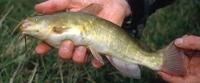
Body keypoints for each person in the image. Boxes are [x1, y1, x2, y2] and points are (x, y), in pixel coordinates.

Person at [34, 0, 200, 82]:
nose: (29, 23)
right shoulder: (56, 25)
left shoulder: (57, 23)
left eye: (35, 20)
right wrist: (125, 2)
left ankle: (157, 60)